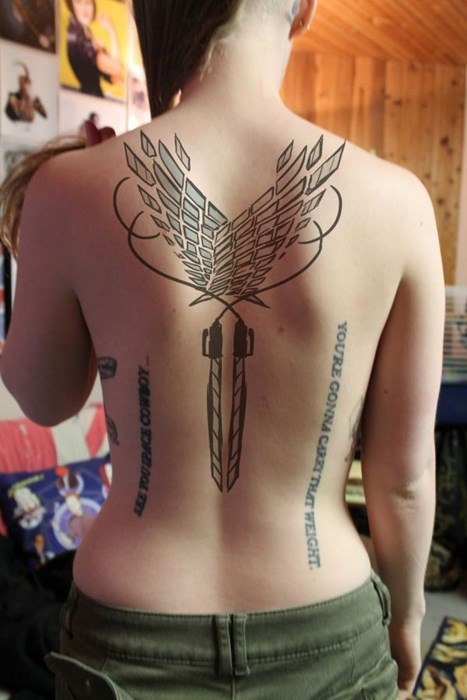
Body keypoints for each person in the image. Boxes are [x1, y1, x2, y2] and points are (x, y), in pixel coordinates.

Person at [0, 0, 445, 698]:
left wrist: (61, 228)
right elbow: (403, 480)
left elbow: (41, 395)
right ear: (303, 7)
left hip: (128, 633)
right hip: (326, 629)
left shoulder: (70, 188)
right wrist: (408, 617)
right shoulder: (399, 204)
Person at [65, 0, 123, 97]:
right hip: (90, 96)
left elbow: (116, 78)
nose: (84, 9)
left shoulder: (85, 33)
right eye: (79, 2)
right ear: (72, 5)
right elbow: (117, 69)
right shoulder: (77, 37)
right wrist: (111, 31)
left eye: (88, 2)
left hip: (91, 97)